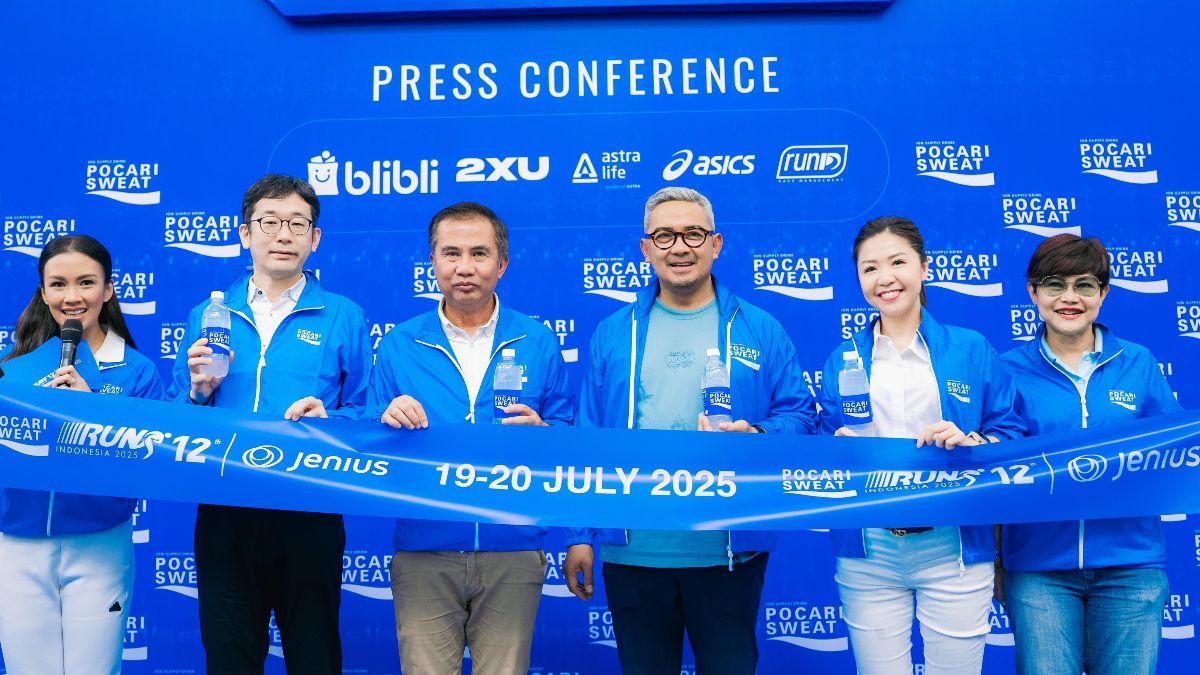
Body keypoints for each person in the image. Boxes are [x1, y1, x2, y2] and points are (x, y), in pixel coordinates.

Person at [563, 187, 817, 675]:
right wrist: (580, 534)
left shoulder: (760, 328)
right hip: (633, 551)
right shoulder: (614, 333)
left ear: (716, 244)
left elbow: (802, 419)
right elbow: (588, 436)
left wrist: (758, 435)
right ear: (645, 248)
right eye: (664, 235)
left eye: (693, 234)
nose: (679, 247)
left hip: (727, 553)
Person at [168, 174, 371, 674]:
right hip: (226, 508)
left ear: (314, 239)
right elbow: (175, 417)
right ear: (245, 233)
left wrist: (333, 418)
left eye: (297, 224)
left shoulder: (343, 315)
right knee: (230, 656)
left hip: (309, 508)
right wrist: (197, 394)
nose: (284, 234)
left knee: (315, 656)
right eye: (270, 222)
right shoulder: (207, 315)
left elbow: (367, 411)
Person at [366, 201, 572, 675]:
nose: (464, 267)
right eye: (450, 253)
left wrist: (543, 432)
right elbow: (367, 429)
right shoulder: (400, 342)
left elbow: (568, 435)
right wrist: (385, 413)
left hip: (513, 548)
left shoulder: (537, 340)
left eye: (479, 253)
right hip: (425, 549)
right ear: (432, 263)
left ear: (502, 263)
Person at [816, 216, 1025, 675]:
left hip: (952, 547)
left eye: (897, 262)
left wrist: (974, 441)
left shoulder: (969, 349)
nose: (884, 278)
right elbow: (820, 446)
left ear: (924, 268)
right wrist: (835, 446)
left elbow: (1012, 434)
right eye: (869, 268)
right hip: (869, 548)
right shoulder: (842, 359)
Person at [999, 234, 1177, 675]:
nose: (1070, 298)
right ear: (1032, 292)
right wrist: (999, 562)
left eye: (1085, 285)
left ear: (1104, 293)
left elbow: (1174, 458)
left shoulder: (1139, 363)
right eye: (1055, 284)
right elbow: (995, 475)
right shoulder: (1004, 370)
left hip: (1130, 568)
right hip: (1039, 571)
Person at [0, 235, 164, 675]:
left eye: (86, 282)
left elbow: (152, 465)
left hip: (98, 544)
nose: (72, 297)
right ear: (43, 293)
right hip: (15, 544)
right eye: (58, 285)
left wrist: (93, 413)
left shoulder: (138, 371)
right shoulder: (10, 365)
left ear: (107, 290)